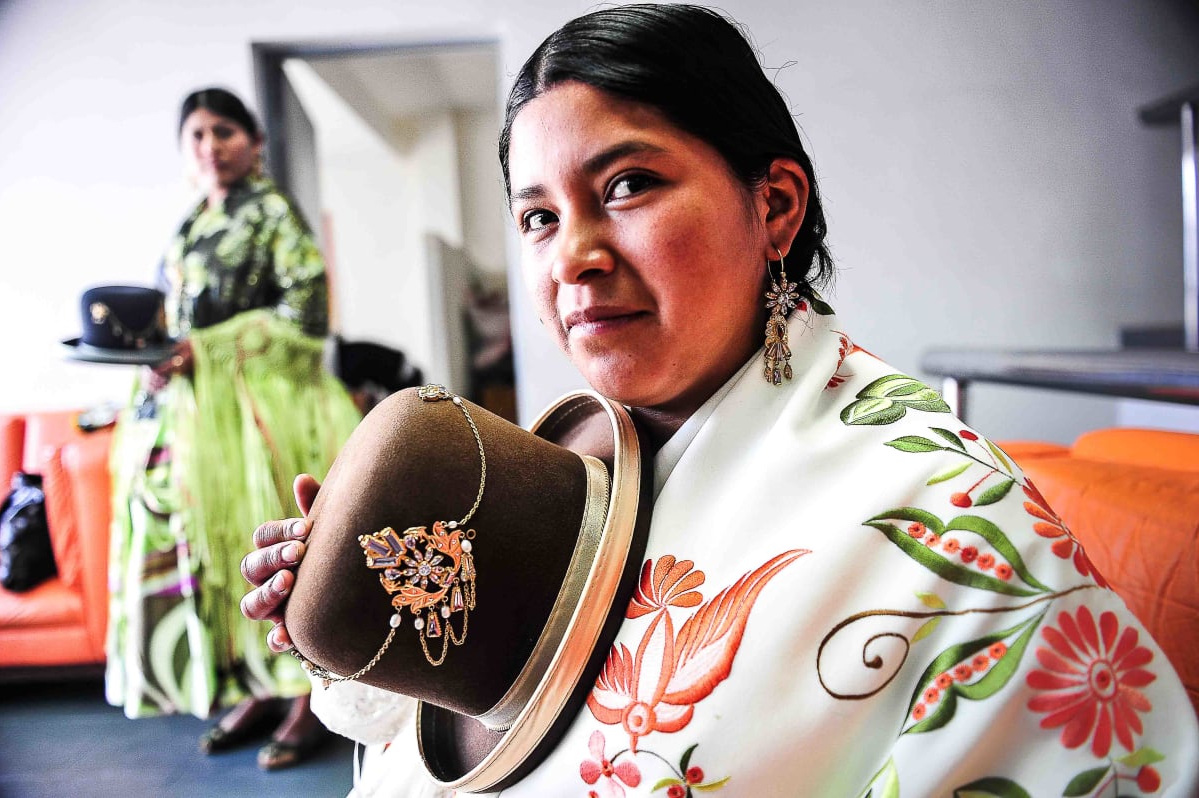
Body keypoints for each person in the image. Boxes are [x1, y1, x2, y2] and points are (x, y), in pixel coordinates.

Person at [240, 5, 1199, 796]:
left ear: (774, 205)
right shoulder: (549, 486)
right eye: (538, 215)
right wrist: (354, 609)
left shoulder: (941, 519)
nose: (572, 253)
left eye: (627, 185)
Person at [105, 87, 360, 770]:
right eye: (195, 135)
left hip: (271, 417)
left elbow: (306, 315)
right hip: (197, 424)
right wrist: (162, 362)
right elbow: (174, 324)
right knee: (217, 563)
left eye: (223, 131)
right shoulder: (191, 224)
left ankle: (307, 700)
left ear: (253, 143)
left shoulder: (272, 213)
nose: (209, 146)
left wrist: (209, 349)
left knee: (283, 555)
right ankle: (255, 691)